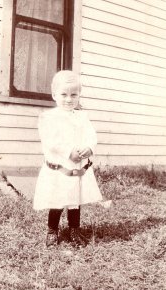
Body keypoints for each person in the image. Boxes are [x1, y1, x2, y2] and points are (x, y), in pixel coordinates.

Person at [33, 70, 104, 248]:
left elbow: (91, 135)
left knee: (75, 200)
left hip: (77, 167)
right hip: (60, 167)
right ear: (54, 94)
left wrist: (89, 147)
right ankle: (52, 230)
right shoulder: (48, 118)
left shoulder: (82, 117)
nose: (69, 99)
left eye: (74, 94)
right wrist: (67, 152)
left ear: (79, 95)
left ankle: (74, 229)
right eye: (64, 94)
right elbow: (50, 141)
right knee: (57, 200)